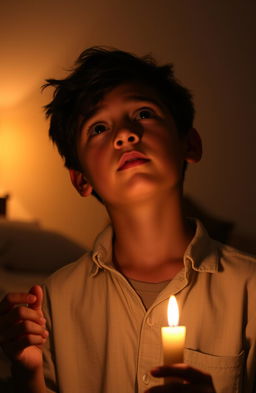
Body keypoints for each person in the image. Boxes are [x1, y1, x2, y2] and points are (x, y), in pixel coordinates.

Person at [0, 46, 256, 393]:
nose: (125, 134)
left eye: (144, 113)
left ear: (190, 144)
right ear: (81, 179)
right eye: (99, 128)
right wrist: (27, 375)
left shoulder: (249, 289)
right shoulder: (52, 305)